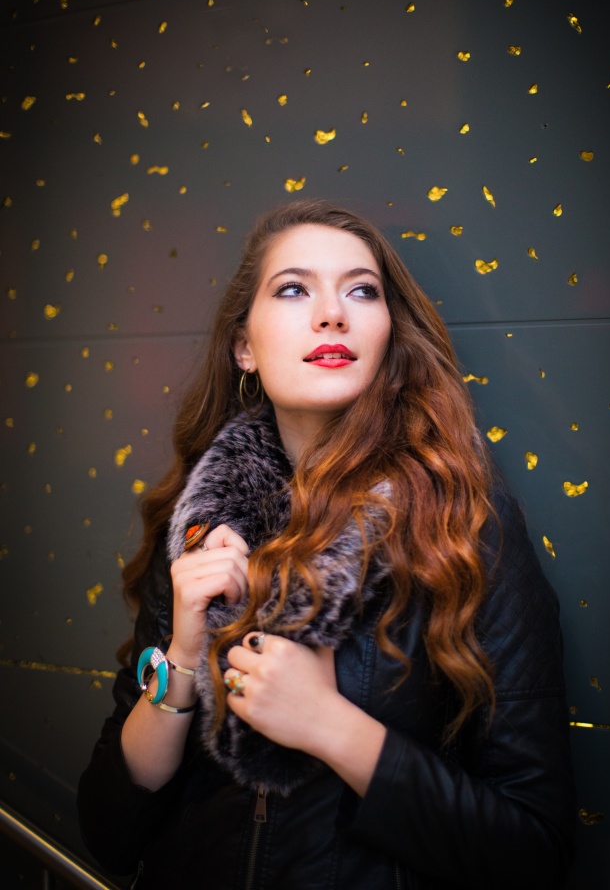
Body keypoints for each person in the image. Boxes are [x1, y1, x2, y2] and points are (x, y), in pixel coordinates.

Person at [78, 199, 576, 889]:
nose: (332, 314)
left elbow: (533, 851)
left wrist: (329, 726)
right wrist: (185, 657)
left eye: (361, 291)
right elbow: (109, 834)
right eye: (293, 289)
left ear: (388, 335)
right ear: (243, 347)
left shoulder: (464, 525)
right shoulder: (199, 528)